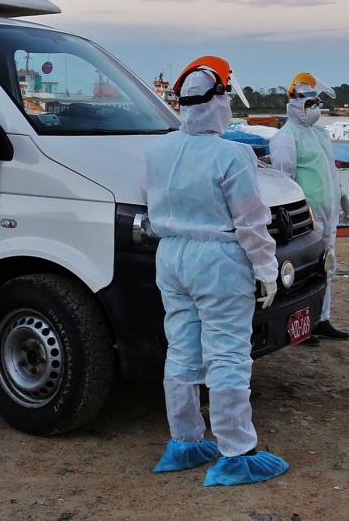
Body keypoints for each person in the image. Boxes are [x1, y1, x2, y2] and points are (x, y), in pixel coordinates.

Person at [145, 56, 288, 486]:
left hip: (170, 256)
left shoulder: (158, 149)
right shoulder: (233, 155)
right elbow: (250, 221)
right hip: (219, 261)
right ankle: (236, 452)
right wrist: (266, 269)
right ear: (217, 102)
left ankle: (185, 441)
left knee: (182, 351)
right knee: (228, 355)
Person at [269, 72, 349, 341]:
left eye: (317, 103)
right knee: (304, 268)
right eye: (309, 104)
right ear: (293, 104)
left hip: (328, 212)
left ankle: (321, 319)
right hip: (306, 216)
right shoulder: (286, 138)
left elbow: (329, 169)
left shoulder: (319, 134)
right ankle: (298, 324)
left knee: (327, 265)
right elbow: (284, 181)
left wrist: (343, 196)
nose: (315, 109)